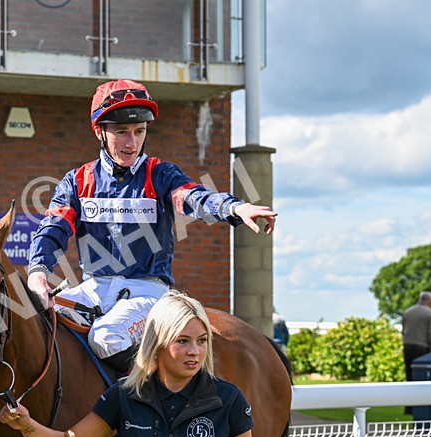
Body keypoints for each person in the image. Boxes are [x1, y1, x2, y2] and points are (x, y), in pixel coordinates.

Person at [27, 79, 278, 372]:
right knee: (32, 319)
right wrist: (38, 272)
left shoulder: (160, 174)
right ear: (100, 132)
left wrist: (235, 207)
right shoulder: (78, 180)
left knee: (107, 336)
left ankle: (151, 410)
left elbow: (195, 198)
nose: (131, 143)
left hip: (147, 292)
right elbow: (53, 229)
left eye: (139, 132)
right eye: (121, 132)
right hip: (93, 287)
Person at [0, 290, 270, 437]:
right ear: (157, 343)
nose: (195, 352)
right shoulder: (123, 397)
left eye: (201, 340)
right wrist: (27, 425)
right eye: (182, 341)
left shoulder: (228, 400)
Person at [402, 291, 431, 413]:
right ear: (430, 302)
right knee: (422, 379)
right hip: (422, 348)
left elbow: (403, 331)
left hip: (407, 347)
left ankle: (410, 407)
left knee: (410, 377)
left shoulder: (408, 312)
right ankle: (422, 405)